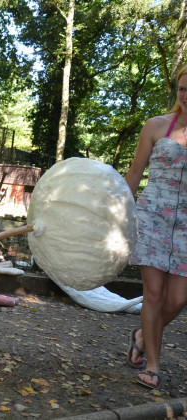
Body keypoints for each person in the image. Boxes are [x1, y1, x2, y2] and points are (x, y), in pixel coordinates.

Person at [124, 65, 187, 389]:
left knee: (177, 300)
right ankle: (152, 365)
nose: (186, 96)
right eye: (182, 89)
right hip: (151, 218)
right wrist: (119, 213)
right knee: (155, 293)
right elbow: (134, 174)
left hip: (186, 227)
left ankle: (140, 335)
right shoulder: (156, 126)